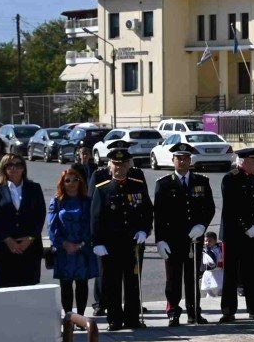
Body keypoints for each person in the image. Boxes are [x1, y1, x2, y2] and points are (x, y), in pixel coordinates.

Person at [153, 141, 217, 323]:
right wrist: (160, 240)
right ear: (173, 160)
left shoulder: (201, 181)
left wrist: (202, 226)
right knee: (173, 279)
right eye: (178, 159)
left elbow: (209, 208)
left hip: (193, 239)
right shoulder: (164, 184)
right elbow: (159, 214)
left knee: (192, 277)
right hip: (172, 239)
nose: (182, 162)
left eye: (186, 158)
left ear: (190, 160)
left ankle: (194, 311)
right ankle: (173, 312)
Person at [91, 149, 153, 330]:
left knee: (133, 282)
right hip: (111, 245)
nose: (119, 167)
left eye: (123, 164)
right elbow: (95, 217)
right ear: (110, 165)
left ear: (129, 165)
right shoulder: (102, 189)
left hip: (133, 243)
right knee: (112, 282)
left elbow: (147, 211)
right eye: (116, 164)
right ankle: (114, 319)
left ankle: (132, 318)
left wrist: (144, 231)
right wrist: (97, 242)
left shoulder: (138, 185)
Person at [220, 147, 254, 321]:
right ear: (245, 162)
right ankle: (228, 310)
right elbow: (232, 208)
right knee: (231, 274)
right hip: (234, 235)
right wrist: (246, 226)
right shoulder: (230, 179)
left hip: (252, 234)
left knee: (251, 272)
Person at [0, 153, 46, 288]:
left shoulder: (34, 188)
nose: (15, 168)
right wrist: (7, 239)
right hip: (3, 248)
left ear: (23, 168)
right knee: (6, 293)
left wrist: (30, 238)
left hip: (29, 248)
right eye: (10, 165)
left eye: (18, 164)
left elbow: (40, 216)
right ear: (3, 168)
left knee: (29, 292)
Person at [49, 166, 100, 318]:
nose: (71, 183)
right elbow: (52, 225)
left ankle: (81, 316)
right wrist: (64, 243)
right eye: (67, 180)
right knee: (65, 285)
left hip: (82, 249)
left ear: (80, 182)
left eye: (75, 180)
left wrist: (82, 244)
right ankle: (69, 317)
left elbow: (92, 224)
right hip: (64, 250)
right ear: (62, 183)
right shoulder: (57, 202)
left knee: (82, 284)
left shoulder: (87, 202)